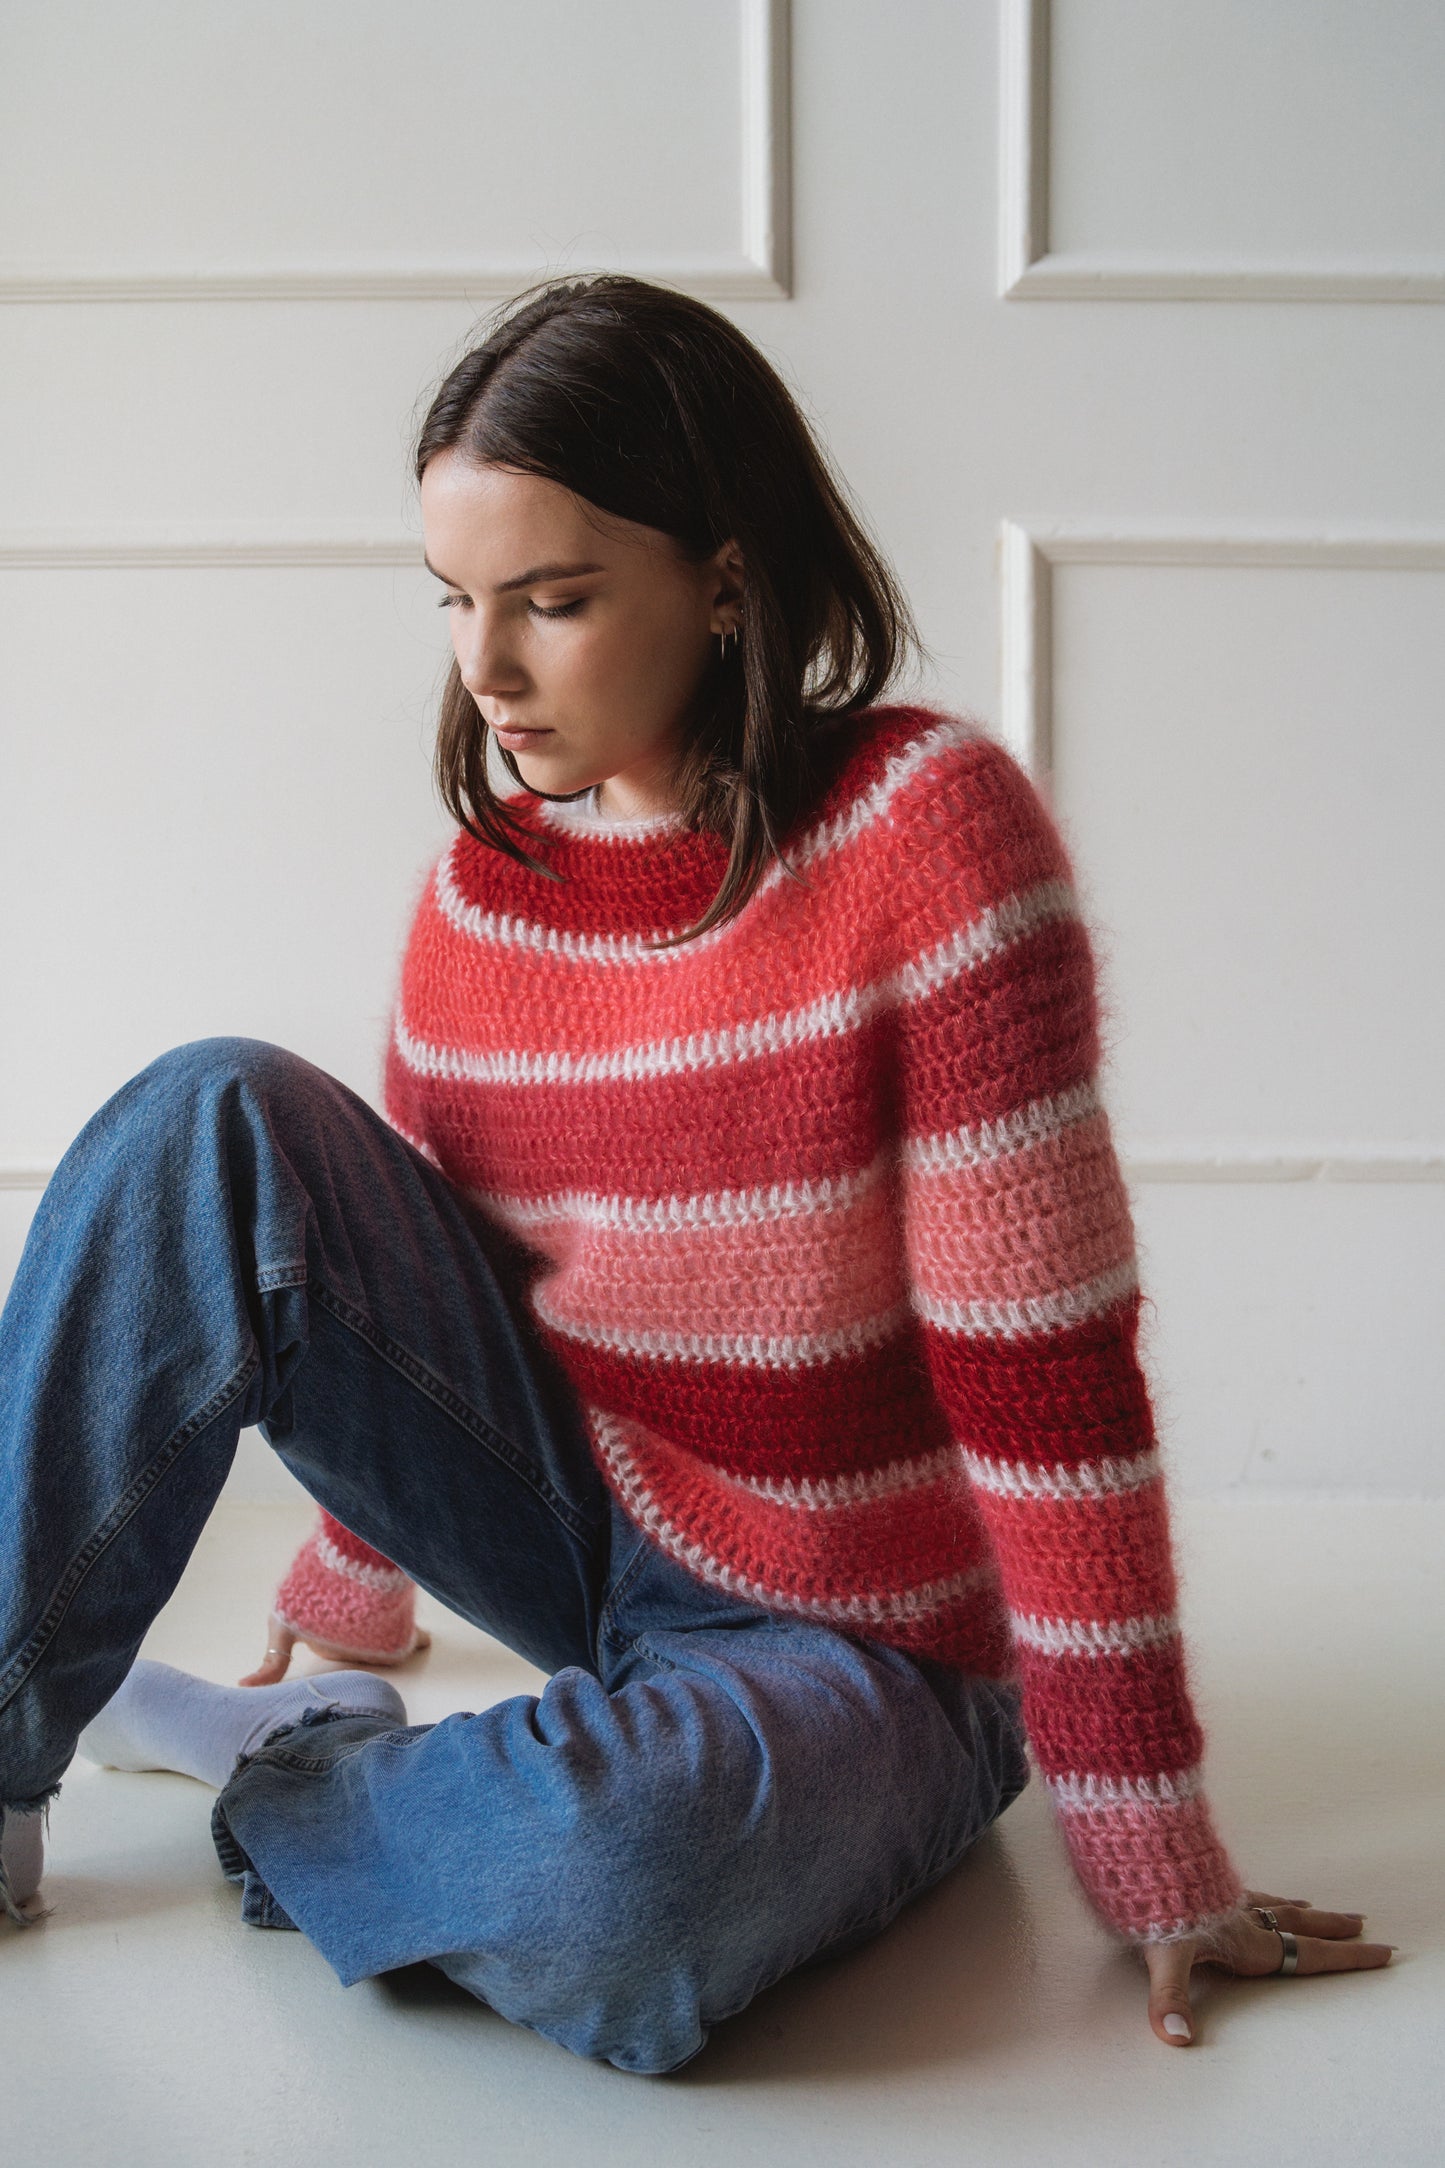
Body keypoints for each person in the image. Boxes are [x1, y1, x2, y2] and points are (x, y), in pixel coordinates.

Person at [0, 273, 1392, 2073]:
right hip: (599, 1528)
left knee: (620, 1881)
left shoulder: (929, 839)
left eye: (554, 603)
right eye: (457, 604)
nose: (487, 670)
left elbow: (1044, 1378)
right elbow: (430, 1285)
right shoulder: (486, 891)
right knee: (209, 1111)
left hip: (871, 1645)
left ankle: (295, 1772)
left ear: (724, 578)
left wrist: (1140, 1840)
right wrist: (357, 1584)